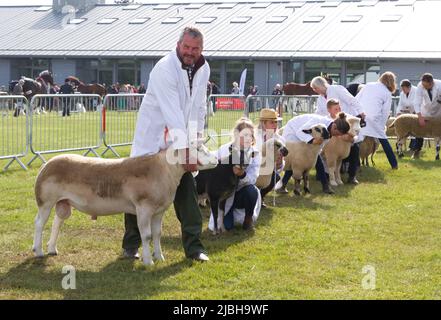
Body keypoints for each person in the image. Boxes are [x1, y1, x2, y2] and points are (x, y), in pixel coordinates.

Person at [122, 26, 210, 262]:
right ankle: (130, 246)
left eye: (196, 48)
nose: (190, 52)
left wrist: (197, 140)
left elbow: (199, 107)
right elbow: (172, 114)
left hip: (179, 143)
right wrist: (186, 151)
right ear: (178, 44)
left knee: (187, 194)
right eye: (187, 47)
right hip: (153, 142)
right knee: (138, 194)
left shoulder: (204, 68)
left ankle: (194, 248)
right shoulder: (164, 68)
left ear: (202, 49)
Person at [276, 113, 350, 194]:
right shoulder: (317, 122)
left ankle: (283, 186)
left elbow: (320, 146)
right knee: (296, 160)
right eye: (338, 134)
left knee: (307, 160)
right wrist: (312, 140)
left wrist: (315, 152)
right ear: (335, 127)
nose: (337, 136)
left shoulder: (329, 132)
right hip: (293, 132)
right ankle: (325, 186)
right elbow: (300, 132)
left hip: (304, 139)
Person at [208, 117, 261, 231]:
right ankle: (223, 219)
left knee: (252, 191)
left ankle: (248, 218)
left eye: (250, 135)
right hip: (224, 195)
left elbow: (253, 178)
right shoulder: (225, 149)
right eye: (244, 135)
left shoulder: (254, 153)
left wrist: (242, 175)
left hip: (241, 192)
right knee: (228, 226)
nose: (247, 138)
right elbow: (212, 163)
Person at [311, 76, 364, 184]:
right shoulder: (321, 98)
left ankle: (352, 175)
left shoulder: (337, 89)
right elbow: (319, 112)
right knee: (327, 148)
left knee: (353, 147)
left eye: (315, 88)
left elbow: (352, 100)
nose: (314, 91)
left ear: (320, 86)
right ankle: (326, 172)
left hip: (346, 123)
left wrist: (361, 112)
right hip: (332, 126)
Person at [356, 71, 398, 169]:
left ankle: (355, 164)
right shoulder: (387, 93)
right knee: (383, 141)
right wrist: (381, 126)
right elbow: (385, 112)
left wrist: (357, 113)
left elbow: (357, 99)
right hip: (374, 118)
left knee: (356, 140)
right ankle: (394, 164)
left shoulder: (369, 85)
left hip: (361, 116)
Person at [257, 108, 284, 207]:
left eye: (276, 122)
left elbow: (280, 166)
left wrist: (280, 163)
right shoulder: (253, 136)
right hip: (253, 167)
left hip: (267, 170)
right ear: (263, 123)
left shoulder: (280, 140)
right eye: (272, 122)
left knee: (276, 177)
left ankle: (260, 196)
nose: (275, 125)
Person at [414, 73, 441, 159]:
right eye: (423, 85)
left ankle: (437, 154)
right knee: (419, 131)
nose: (424, 87)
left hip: (438, 113)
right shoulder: (420, 86)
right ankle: (416, 151)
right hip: (425, 112)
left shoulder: (440, 86)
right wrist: (420, 116)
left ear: (431, 83)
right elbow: (417, 101)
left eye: (426, 86)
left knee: (438, 133)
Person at [396, 79, 422, 156]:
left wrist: (415, 111)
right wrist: (398, 113)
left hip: (417, 113)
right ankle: (409, 147)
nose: (403, 90)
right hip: (408, 115)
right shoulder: (402, 94)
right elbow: (400, 104)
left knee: (417, 131)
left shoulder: (416, 91)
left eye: (404, 88)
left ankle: (415, 148)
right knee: (408, 131)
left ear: (409, 87)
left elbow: (417, 103)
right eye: (402, 88)